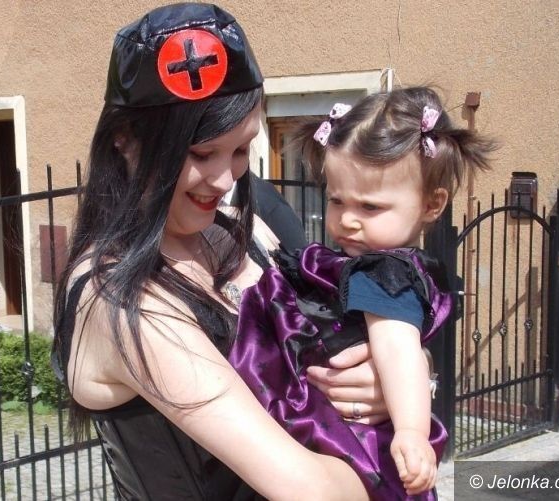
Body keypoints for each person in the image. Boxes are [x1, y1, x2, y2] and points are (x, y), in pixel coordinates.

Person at [52, 4, 386, 500]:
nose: (226, 178)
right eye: (201, 153)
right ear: (124, 140)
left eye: (241, 149)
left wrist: (397, 374)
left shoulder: (243, 235)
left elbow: (341, 337)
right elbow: (312, 491)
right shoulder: (119, 299)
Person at [229, 87, 497, 499]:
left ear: (432, 205)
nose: (348, 220)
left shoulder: (385, 272)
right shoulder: (374, 263)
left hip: (355, 440)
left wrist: (411, 431)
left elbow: (397, 348)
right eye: (337, 200)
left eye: (370, 207)